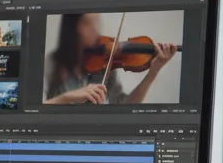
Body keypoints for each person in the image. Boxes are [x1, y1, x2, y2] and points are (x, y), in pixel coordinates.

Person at [43, 13, 176, 105]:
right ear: (72, 27)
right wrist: (66, 98)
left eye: (97, 23)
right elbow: (30, 109)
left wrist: (154, 71)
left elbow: (125, 106)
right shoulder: (53, 64)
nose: (95, 29)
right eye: (87, 23)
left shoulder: (105, 64)